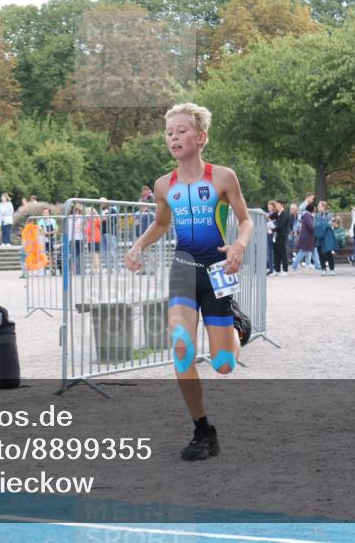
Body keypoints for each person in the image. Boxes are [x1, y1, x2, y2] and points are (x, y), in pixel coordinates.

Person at [124, 102, 253, 462]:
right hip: (183, 267)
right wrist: (138, 246)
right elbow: (162, 224)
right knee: (180, 345)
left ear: (201, 137)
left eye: (181, 131)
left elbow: (245, 220)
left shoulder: (223, 177)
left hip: (217, 271)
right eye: (169, 133)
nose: (174, 137)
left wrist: (240, 244)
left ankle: (238, 326)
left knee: (224, 364)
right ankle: (202, 430)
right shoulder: (164, 184)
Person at [314, 200, 338, 275]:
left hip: (327, 236)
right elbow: (315, 225)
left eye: (319, 206)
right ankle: (323, 269)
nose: (318, 207)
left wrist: (321, 225)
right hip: (318, 236)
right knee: (320, 252)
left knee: (328, 253)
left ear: (324, 207)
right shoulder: (316, 215)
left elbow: (329, 224)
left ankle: (332, 269)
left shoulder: (329, 215)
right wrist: (322, 226)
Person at [292, 203, 316, 270]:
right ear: (312, 209)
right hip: (307, 237)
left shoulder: (306, 215)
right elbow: (310, 226)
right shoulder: (307, 216)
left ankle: (314, 264)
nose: (315, 210)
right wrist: (315, 228)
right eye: (314, 208)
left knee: (309, 251)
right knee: (303, 252)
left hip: (306, 236)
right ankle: (295, 265)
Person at [270, 200, 290, 276]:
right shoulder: (278, 213)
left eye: (278, 204)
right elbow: (270, 217)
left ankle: (285, 270)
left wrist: (272, 229)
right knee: (276, 253)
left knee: (282, 252)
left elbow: (281, 225)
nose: (276, 206)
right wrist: (267, 217)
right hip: (276, 236)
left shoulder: (285, 213)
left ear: (282, 204)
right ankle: (277, 270)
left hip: (282, 235)